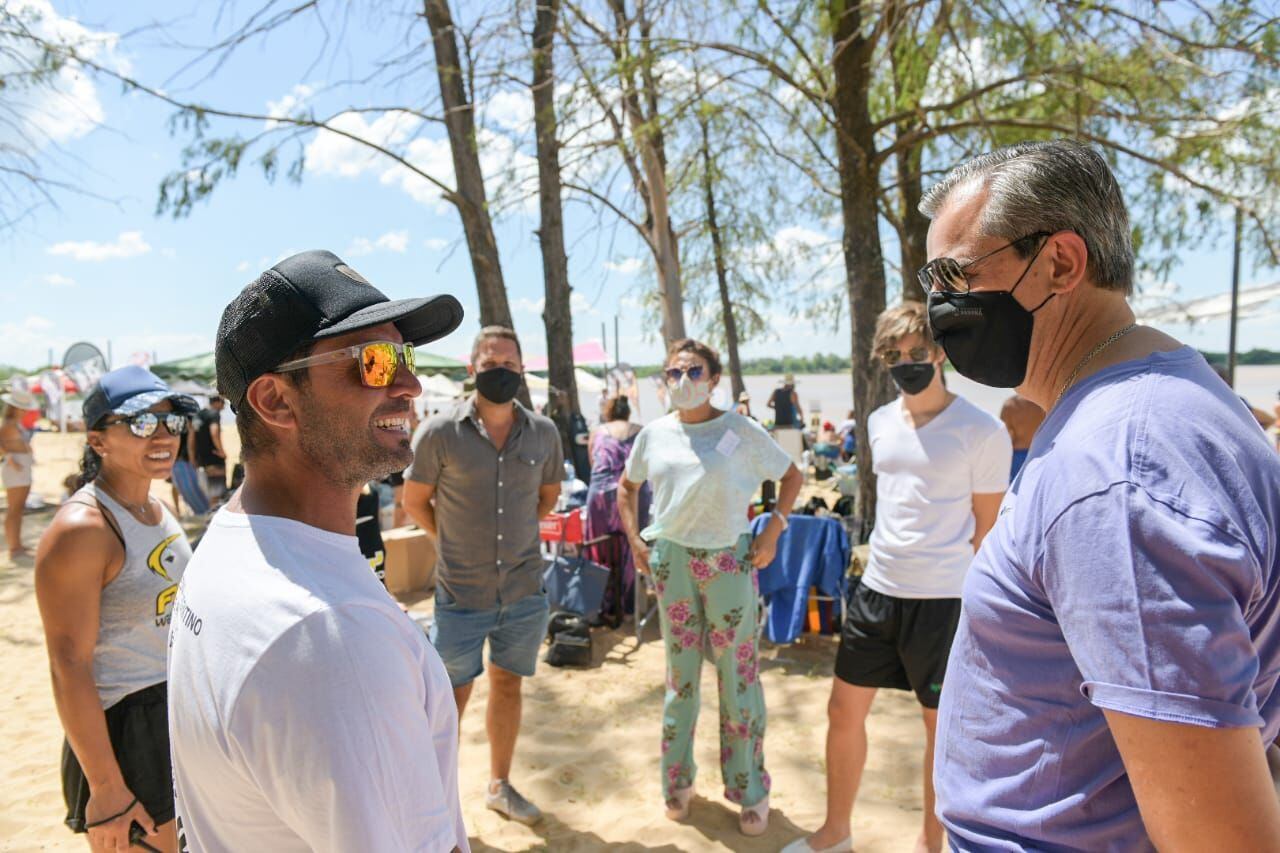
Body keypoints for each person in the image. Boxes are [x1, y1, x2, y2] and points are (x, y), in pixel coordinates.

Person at [918, 140, 1280, 848]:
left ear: (1060, 262)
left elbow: (1220, 837)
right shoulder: (1173, 400)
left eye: (955, 273)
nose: (939, 304)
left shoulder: (1113, 469)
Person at [166, 249, 469, 851]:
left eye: (404, 357)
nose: (410, 384)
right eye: (375, 362)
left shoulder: (229, 541)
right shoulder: (330, 633)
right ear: (276, 401)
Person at [784, 304, 1010, 853]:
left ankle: (931, 845)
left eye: (916, 352)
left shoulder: (983, 431)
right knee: (841, 711)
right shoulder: (880, 423)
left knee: (940, 732)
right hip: (878, 589)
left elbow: (987, 533)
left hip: (944, 601)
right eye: (894, 356)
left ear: (939, 353)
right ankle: (835, 833)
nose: (906, 363)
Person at [619, 338, 803, 837]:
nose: (682, 382)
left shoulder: (740, 430)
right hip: (671, 559)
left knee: (738, 677)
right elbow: (626, 486)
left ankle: (749, 789)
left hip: (728, 559)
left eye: (693, 371)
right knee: (681, 680)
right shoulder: (653, 435)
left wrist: (773, 527)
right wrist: (637, 541)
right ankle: (676, 782)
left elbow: (792, 475)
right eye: (673, 373)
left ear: (714, 378)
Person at [402, 325, 563, 826]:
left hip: (522, 591)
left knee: (508, 686)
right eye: (491, 363)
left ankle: (499, 785)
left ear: (522, 370)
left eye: (510, 365)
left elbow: (547, 500)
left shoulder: (543, 433)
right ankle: (433, 808)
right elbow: (413, 502)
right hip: (459, 594)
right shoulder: (438, 433)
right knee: (450, 698)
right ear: (472, 369)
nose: (501, 372)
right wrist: (447, 543)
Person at [34, 365, 198, 852]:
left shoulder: (155, 505)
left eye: (172, 422)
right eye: (142, 422)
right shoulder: (83, 528)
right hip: (125, 732)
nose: (164, 434)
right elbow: (68, 664)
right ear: (98, 441)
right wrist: (106, 787)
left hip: (171, 709)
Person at [584, 394, 649, 622]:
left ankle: (601, 604)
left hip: (600, 493)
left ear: (609, 412)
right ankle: (628, 606)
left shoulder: (597, 432)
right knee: (632, 545)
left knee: (598, 547)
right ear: (628, 411)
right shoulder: (641, 430)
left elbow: (593, 462)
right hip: (634, 492)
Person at [1, 387, 40, 558]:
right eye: (23, 408)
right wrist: (10, 459)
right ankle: (14, 548)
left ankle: (17, 545)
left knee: (19, 508)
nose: (25, 411)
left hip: (21, 466)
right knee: (14, 509)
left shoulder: (15, 424)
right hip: (15, 467)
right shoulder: (8, 424)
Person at [188, 395, 226, 502]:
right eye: (223, 403)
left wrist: (192, 458)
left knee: (209, 494)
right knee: (217, 494)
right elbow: (214, 432)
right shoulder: (214, 414)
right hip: (214, 458)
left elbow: (191, 439)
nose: (224, 407)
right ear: (217, 402)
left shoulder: (197, 415)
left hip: (201, 460)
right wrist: (221, 451)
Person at [999, 393, 1045, 479]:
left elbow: (1003, 433)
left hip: (1016, 455)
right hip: (1038, 452)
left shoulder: (1010, 404)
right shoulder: (1040, 404)